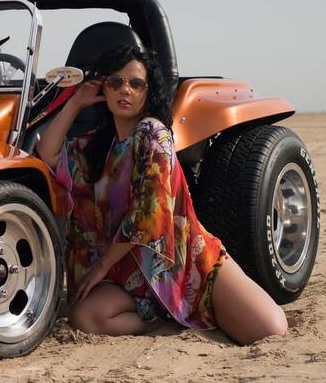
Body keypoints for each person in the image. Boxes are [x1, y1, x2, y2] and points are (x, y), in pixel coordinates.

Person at [36, 45, 287, 344]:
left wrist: (100, 266)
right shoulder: (96, 145)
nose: (124, 90)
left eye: (135, 83)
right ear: (104, 88)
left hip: (182, 261)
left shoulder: (153, 134)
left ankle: (184, 307)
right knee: (84, 317)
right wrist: (76, 102)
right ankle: (162, 318)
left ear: (147, 91)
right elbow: (47, 152)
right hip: (127, 275)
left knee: (269, 328)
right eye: (114, 82)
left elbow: (148, 216)